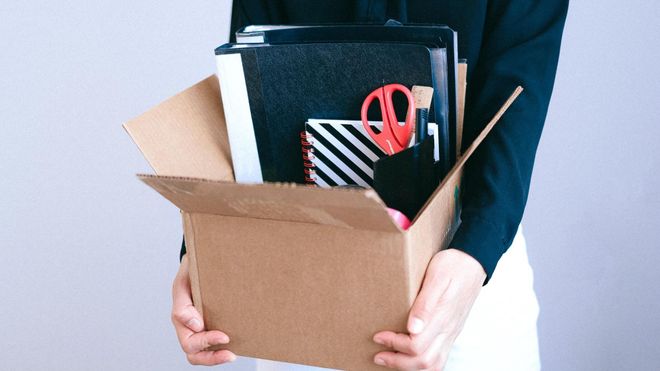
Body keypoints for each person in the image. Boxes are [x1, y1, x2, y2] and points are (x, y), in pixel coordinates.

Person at [170, 1, 569, 370]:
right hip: (300, 268)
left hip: (459, 263)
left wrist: (474, 253)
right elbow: (248, 83)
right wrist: (202, 250)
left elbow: (519, 93)